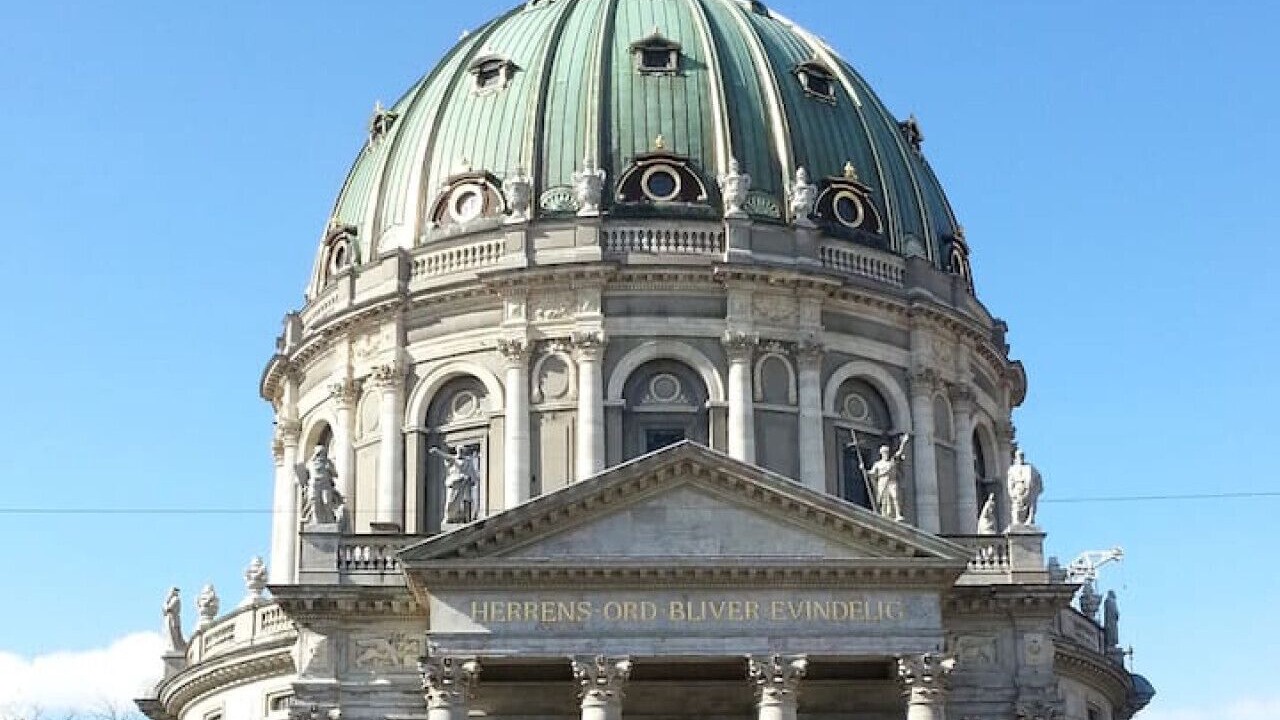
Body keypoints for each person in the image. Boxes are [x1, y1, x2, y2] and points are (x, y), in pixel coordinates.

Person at [865, 434, 910, 521]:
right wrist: (864, 469)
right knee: (884, 499)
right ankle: (884, 515)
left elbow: (899, 453)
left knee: (895, 496)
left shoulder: (892, 462)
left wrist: (903, 443)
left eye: (887, 452)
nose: (886, 454)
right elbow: (871, 473)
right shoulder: (877, 464)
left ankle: (898, 514)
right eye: (884, 452)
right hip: (882, 482)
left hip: (892, 481)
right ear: (881, 453)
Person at [431, 445, 479, 524]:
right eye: (458, 450)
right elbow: (445, 456)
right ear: (457, 451)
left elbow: (472, 473)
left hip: (464, 484)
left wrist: (470, 478)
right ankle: (448, 517)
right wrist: (436, 451)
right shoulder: (453, 459)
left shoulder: (468, 461)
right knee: (450, 501)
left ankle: (465, 518)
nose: (460, 451)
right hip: (454, 484)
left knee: (465, 501)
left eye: (461, 450)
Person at [1006, 449, 1043, 527]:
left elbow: (1038, 479)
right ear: (1016, 457)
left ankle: (1030, 520)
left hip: (1029, 489)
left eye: (1022, 455)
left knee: (1030, 507)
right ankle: (1017, 521)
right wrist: (1011, 492)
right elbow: (1010, 482)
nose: (1021, 457)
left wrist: (1036, 489)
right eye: (1019, 456)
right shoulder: (1012, 469)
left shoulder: (1030, 467)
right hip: (1018, 488)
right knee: (1017, 506)